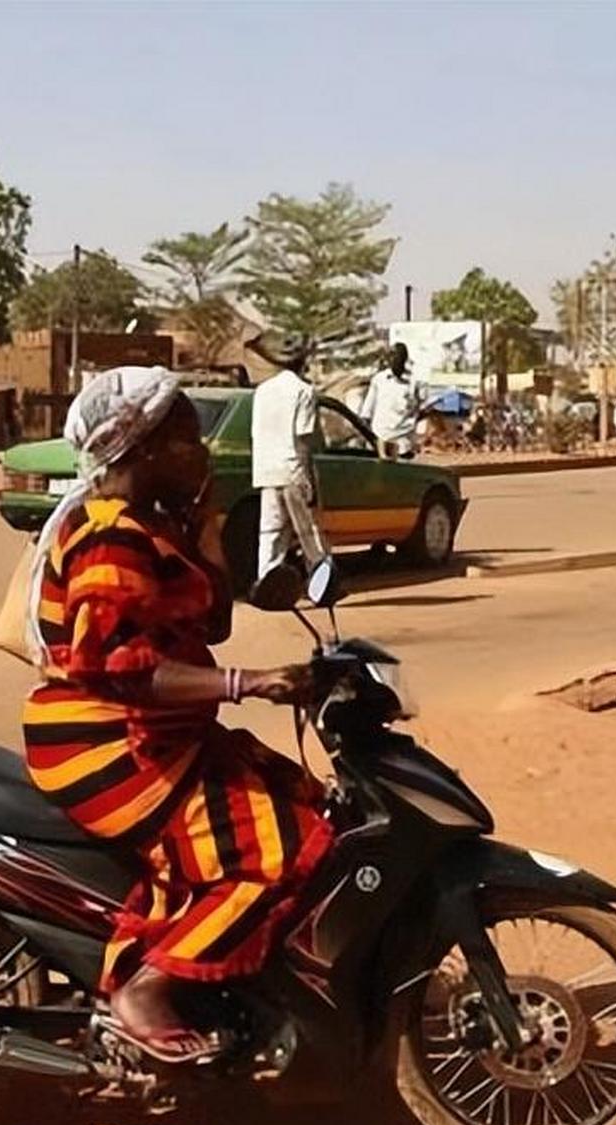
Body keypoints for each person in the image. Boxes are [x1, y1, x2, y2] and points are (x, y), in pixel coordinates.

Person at [22, 367, 332, 1062]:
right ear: (144, 447)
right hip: (109, 747)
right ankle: (145, 987)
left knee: (308, 803)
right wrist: (245, 683)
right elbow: (115, 668)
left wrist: (205, 521)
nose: (203, 450)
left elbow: (214, 620)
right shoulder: (111, 538)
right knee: (273, 855)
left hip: (166, 736)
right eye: (188, 436)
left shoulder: (153, 525)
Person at [249, 339, 330, 587]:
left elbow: (256, 434)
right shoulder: (303, 391)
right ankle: (323, 584)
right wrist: (309, 482)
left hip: (266, 470)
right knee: (309, 533)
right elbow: (303, 440)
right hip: (292, 469)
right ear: (303, 363)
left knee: (271, 533)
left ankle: (266, 584)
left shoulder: (263, 391)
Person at [360, 343, 424, 459]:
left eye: (399, 357)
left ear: (404, 359)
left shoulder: (413, 382)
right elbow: (367, 410)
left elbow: (421, 407)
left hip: (404, 439)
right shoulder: (379, 380)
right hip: (381, 438)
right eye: (392, 356)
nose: (395, 360)